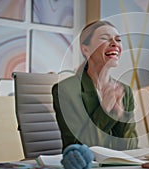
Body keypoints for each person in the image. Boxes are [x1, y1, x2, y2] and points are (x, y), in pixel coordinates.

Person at [52, 21, 138, 151]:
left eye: (118, 39)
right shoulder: (65, 90)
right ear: (86, 49)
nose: (115, 44)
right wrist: (104, 111)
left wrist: (120, 116)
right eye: (105, 38)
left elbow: (131, 148)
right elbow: (78, 147)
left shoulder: (124, 91)